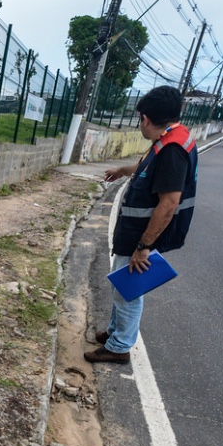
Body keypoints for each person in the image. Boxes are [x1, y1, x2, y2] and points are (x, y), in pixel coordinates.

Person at [85, 85, 198, 364]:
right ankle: (114, 333)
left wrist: (144, 247)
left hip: (141, 235)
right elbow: (150, 170)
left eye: (139, 120)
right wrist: (123, 170)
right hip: (134, 231)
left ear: (146, 118)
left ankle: (119, 346)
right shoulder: (170, 138)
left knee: (128, 291)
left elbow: (169, 202)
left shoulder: (172, 149)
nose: (140, 125)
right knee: (121, 285)